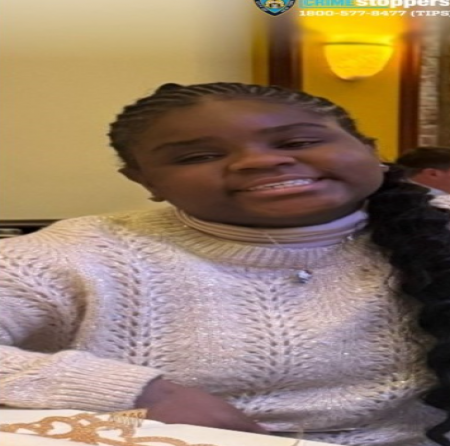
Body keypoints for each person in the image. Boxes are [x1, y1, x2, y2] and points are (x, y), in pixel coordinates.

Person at [1, 82, 450, 446]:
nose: (261, 160)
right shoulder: (81, 252)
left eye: (298, 141)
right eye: (198, 156)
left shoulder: (438, 226)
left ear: (369, 148)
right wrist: (138, 393)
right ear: (144, 180)